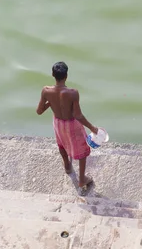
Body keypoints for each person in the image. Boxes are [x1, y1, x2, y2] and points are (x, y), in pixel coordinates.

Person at [36, 61, 98, 189]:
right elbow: (78, 115)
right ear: (66, 76)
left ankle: (67, 167)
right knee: (82, 150)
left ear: (53, 74)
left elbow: (39, 111)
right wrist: (92, 128)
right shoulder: (73, 93)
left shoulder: (46, 91)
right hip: (72, 124)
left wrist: (51, 102)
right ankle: (82, 179)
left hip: (58, 123)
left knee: (61, 143)